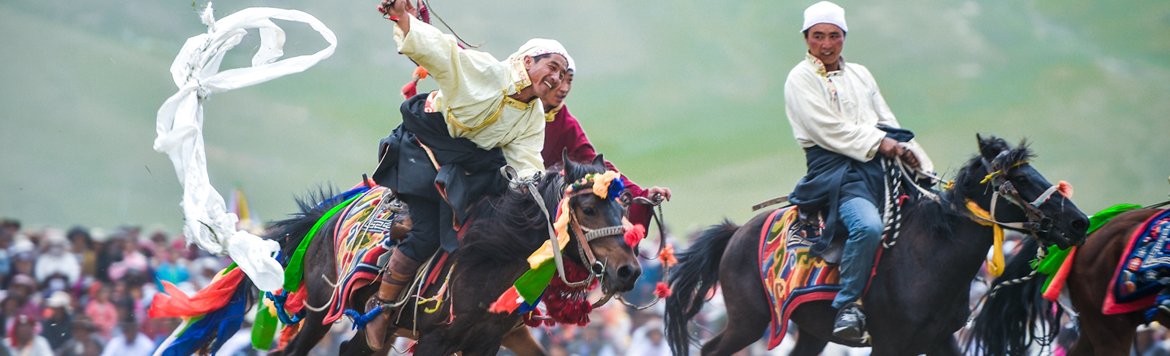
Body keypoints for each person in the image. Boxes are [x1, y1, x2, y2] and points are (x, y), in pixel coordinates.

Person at [366, 0, 571, 350]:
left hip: (471, 166)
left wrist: (547, 206)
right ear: (527, 61)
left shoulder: (534, 116)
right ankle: (381, 307)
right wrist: (402, 18)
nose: (557, 79)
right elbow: (441, 51)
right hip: (426, 145)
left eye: (564, 77)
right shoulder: (486, 69)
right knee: (428, 232)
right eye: (553, 67)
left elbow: (526, 165)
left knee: (485, 234)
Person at [783, 1, 934, 342]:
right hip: (835, 172)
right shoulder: (800, 78)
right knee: (867, 226)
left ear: (844, 37)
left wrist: (919, 160)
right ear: (806, 38)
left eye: (834, 36)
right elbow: (827, 129)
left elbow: (887, 119)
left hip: (880, 165)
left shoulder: (861, 74)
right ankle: (848, 306)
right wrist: (880, 144)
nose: (826, 44)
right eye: (818, 36)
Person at [538, 67, 673, 233]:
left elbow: (598, 171)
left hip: (546, 211)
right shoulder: (511, 108)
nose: (564, 87)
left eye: (569, 80)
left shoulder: (566, 124)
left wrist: (641, 196)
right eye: (560, 79)